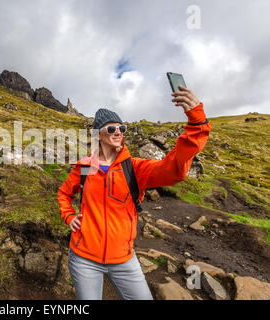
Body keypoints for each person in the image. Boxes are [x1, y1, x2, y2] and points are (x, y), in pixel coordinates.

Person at [57, 86, 211, 300]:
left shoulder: (135, 168)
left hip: (124, 260)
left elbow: (174, 169)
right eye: (111, 129)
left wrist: (196, 123)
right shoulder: (83, 167)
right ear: (97, 135)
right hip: (83, 259)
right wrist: (69, 216)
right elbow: (64, 193)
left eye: (121, 128)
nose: (118, 132)